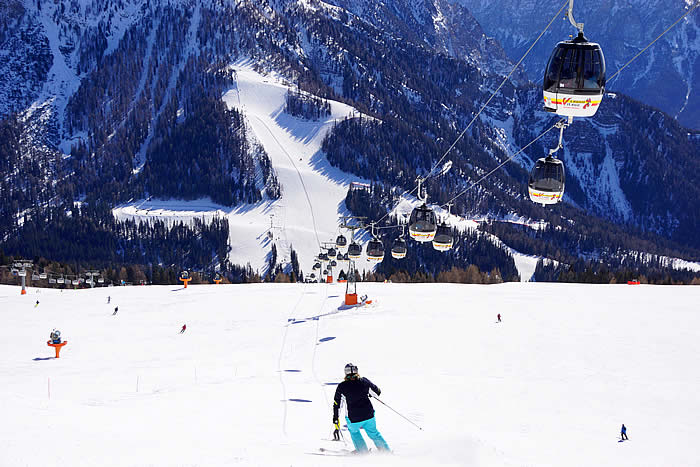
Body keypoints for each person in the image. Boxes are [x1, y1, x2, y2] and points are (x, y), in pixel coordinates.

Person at [332, 363, 390, 453]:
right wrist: (369, 393)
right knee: (374, 433)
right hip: (369, 415)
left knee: (355, 433)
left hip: (353, 418)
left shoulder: (342, 386)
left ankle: (363, 452)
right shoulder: (364, 381)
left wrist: (336, 417)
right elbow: (377, 392)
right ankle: (386, 451)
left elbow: (337, 404)